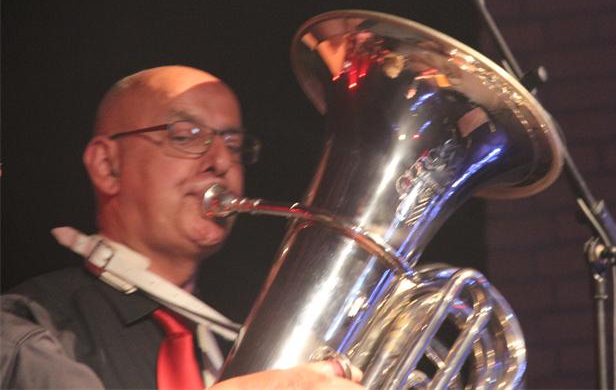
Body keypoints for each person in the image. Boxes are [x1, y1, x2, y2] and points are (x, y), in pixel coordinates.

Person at [0, 65, 363, 389]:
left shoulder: (240, 342)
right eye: (186, 135)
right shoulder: (19, 328)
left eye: (233, 145)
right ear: (107, 166)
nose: (221, 161)